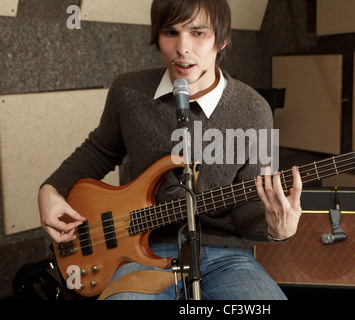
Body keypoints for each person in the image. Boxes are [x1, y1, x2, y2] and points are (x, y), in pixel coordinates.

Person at [38, 0, 302, 300]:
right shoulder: (129, 91)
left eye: (198, 33)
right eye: (171, 33)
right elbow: (98, 150)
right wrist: (49, 190)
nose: (182, 48)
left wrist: (275, 228)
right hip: (138, 249)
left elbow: (248, 205)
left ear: (222, 39)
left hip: (225, 254)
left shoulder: (254, 109)